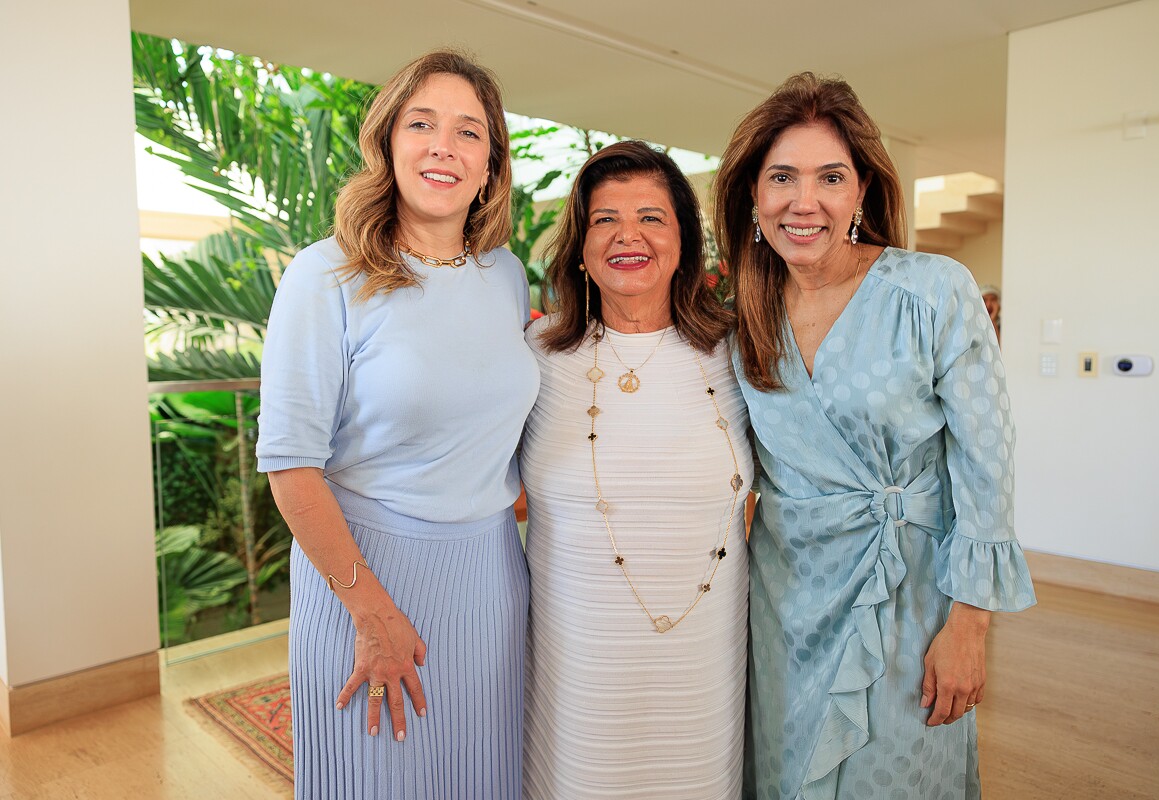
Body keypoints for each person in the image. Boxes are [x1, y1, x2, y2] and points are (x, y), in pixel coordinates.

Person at [712, 73, 1036, 800]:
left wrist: (970, 627)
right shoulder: (743, 319)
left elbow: (988, 464)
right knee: (786, 775)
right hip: (785, 606)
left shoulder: (933, 291)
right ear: (753, 197)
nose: (805, 201)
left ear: (862, 189)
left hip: (910, 599)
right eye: (782, 178)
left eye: (830, 177)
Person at [255, 50, 538, 799]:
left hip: (490, 584)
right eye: (423, 123)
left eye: (468, 131)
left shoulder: (507, 276)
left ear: (489, 165)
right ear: (388, 143)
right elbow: (290, 466)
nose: (444, 145)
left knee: (485, 778)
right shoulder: (326, 276)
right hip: (365, 583)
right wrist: (371, 612)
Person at [520, 140, 753, 799]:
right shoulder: (538, 353)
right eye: (605, 219)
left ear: (684, 237)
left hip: (704, 656)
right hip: (576, 656)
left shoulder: (739, 352)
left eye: (652, 217)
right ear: (581, 243)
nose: (629, 236)